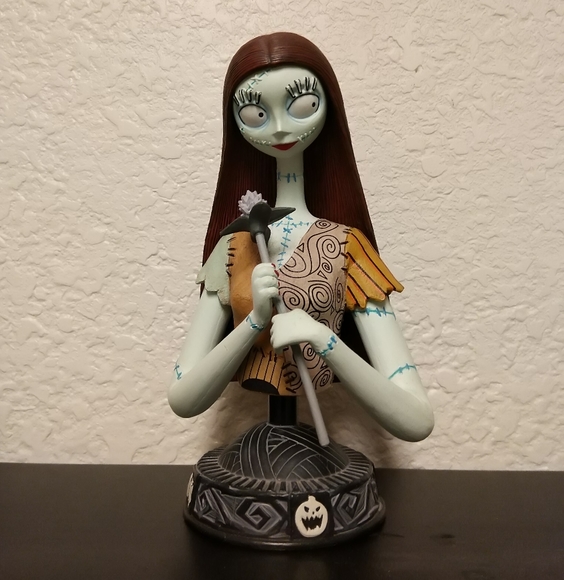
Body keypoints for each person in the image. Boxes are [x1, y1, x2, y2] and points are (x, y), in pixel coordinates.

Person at [168, 32, 433, 443]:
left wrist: (324, 338)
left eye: (302, 105)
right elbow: (183, 398)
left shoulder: (347, 246)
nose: (278, 129)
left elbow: (416, 420)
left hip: (316, 456)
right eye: (256, 113)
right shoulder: (234, 247)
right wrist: (254, 322)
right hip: (255, 453)